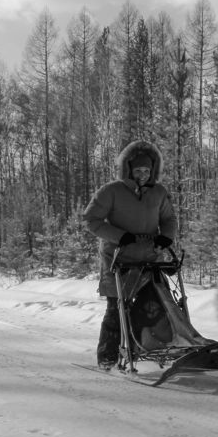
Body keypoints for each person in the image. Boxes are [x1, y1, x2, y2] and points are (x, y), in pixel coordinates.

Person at [83, 140, 179, 369]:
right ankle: (107, 358)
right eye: (138, 170)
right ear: (128, 169)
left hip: (149, 260)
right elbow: (91, 219)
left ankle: (157, 349)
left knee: (157, 306)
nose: (143, 175)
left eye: (147, 170)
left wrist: (167, 236)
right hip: (118, 260)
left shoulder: (159, 192)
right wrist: (119, 236)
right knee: (116, 311)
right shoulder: (111, 191)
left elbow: (169, 219)